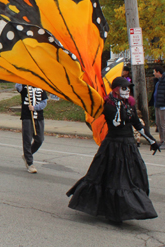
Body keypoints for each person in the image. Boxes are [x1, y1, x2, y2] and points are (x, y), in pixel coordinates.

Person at [67, 77, 161, 223]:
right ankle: (115, 212)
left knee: (136, 174)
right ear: (116, 89)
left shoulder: (129, 104)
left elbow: (136, 124)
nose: (127, 91)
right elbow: (117, 123)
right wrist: (119, 106)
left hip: (128, 145)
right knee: (116, 178)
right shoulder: (108, 105)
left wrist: (151, 140)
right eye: (124, 88)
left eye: (128, 88)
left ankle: (129, 208)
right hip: (113, 145)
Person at [15, 84, 48, 174]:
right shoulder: (23, 86)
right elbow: (17, 86)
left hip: (39, 117)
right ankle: (30, 163)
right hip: (27, 117)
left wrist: (35, 108)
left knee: (40, 139)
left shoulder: (41, 87)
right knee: (27, 139)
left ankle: (27, 155)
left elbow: (44, 102)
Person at [152, 66, 165, 147]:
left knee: (163, 124)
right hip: (157, 104)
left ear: (158, 72)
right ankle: (161, 140)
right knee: (158, 123)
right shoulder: (158, 81)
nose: (153, 73)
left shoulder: (163, 81)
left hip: (163, 105)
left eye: (154, 72)